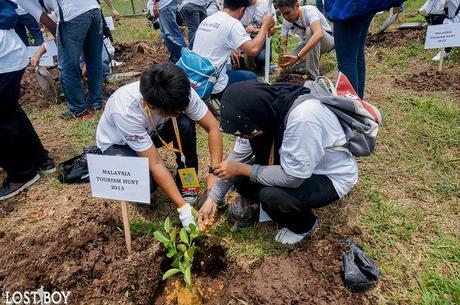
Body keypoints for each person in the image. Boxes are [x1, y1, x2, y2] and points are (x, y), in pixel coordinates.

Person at [199, 80, 358, 244]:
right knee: (240, 179)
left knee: (272, 197)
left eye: (246, 134)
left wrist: (244, 169)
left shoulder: (302, 119)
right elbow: (238, 157)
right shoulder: (261, 110)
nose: (243, 138)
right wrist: (213, 198)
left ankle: (304, 225)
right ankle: (267, 204)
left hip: (327, 175)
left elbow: (293, 178)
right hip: (295, 163)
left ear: (258, 118)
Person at [95, 63, 223, 229]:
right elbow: (155, 163)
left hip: (150, 132)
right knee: (146, 184)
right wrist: (182, 208)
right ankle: (112, 165)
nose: (177, 113)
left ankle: (187, 183)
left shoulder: (179, 90)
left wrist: (214, 174)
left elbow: (213, 127)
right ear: (153, 105)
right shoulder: (126, 110)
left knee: (185, 123)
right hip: (120, 143)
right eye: (172, 112)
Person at [19, 0, 119, 119]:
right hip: (94, 9)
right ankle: (96, 103)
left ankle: (78, 109)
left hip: (71, 14)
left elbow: (46, 21)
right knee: (93, 60)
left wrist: (61, 40)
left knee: (67, 66)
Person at [0, 0, 56, 201]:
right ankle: (40, 159)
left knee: (2, 118)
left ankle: (21, 173)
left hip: (4, 54)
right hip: (9, 50)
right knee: (10, 111)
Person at [192, 0, 275, 98]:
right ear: (242, 10)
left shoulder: (208, 20)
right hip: (210, 85)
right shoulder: (232, 23)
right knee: (251, 77)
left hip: (194, 78)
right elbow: (253, 50)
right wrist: (265, 26)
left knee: (233, 69)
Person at [277, 0, 334, 80]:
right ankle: (306, 65)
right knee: (289, 62)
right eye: (283, 14)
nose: (285, 17)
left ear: (297, 6)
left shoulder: (310, 11)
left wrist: (298, 57)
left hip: (326, 42)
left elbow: (318, 34)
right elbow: (283, 41)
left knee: (310, 30)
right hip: (307, 42)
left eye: (287, 13)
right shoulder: (286, 21)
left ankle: (313, 76)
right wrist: (284, 58)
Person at [325, 7, 374, 99]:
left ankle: (352, 105)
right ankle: (358, 102)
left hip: (347, 7)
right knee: (357, 54)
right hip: (366, 5)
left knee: (347, 61)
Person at [240, 0, 276, 70]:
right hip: (245, 39)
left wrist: (257, 30)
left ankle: (259, 63)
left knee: (262, 59)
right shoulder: (240, 5)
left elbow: (273, 29)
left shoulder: (266, 4)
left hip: (262, 39)